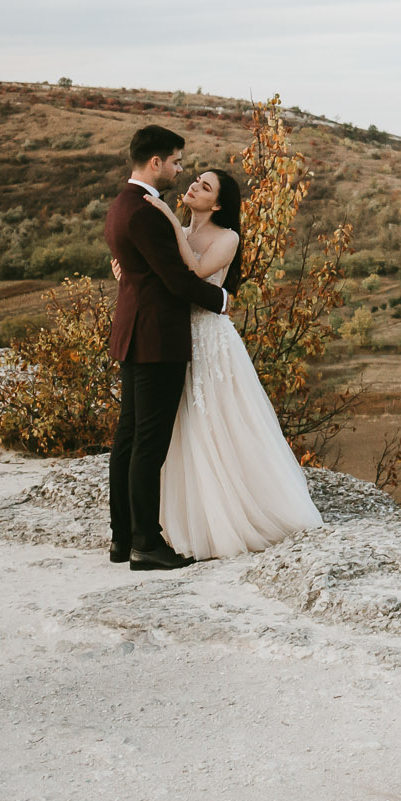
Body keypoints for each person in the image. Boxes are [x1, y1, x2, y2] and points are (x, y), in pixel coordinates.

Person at [140, 167, 323, 558]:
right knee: (181, 428)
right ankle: (181, 522)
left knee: (219, 424)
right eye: (195, 180)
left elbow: (194, 271)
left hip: (210, 341)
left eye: (204, 187)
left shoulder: (227, 237)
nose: (193, 186)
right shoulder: (182, 233)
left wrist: (170, 219)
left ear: (218, 203)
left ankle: (234, 518)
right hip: (174, 338)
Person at [102, 126, 232, 570]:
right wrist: (222, 300)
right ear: (155, 162)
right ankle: (146, 543)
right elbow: (176, 280)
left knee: (129, 437)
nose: (181, 169)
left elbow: (140, 272)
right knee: (148, 445)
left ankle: (122, 538)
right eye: (176, 161)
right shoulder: (146, 212)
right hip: (156, 338)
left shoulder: (122, 205)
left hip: (134, 331)